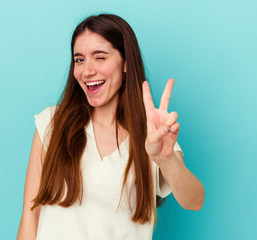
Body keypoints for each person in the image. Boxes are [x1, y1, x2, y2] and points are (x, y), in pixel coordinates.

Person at [17, 13, 204, 240]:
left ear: (126, 63)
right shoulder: (51, 125)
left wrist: (165, 158)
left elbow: (194, 200)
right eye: (79, 59)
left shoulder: (152, 137)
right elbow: (30, 217)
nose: (87, 70)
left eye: (100, 57)